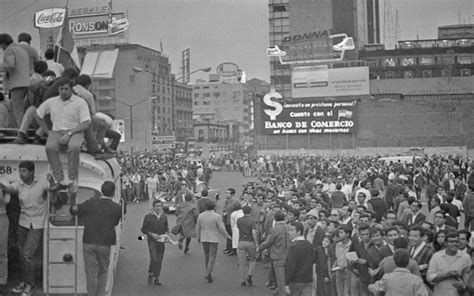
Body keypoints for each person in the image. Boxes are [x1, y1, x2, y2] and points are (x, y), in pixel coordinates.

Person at [36, 77, 91, 195]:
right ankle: (59, 180)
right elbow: (38, 114)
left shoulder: (80, 102)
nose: (64, 91)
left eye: (66, 89)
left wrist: (69, 134)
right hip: (56, 131)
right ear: (58, 89)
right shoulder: (52, 102)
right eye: (61, 89)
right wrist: (47, 131)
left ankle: (72, 180)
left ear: (71, 89)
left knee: (74, 147)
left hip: (75, 131)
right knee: (49, 148)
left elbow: (86, 123)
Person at [1, 161, 49, 296]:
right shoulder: (19, 183)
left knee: (27, 254)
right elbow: (10, 189)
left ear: (31, 172)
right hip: (23, 222)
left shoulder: (42, 182)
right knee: (22, 254)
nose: (21, 174)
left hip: (37, 223)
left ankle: (30, 284)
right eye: (20, 171)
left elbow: (53, 189)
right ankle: (25, 281)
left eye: (24, 171)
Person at [70, 181, 122, 296]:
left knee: (91, 273)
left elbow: (73, 210)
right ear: (113, 193)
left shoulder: (91, 202)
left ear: (102, 191)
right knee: (103, 271)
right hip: (105, 243)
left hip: (89, 241)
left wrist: (72, 196)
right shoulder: (117, 208)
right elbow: (115, 223)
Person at [196, 200, 231, 283]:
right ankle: (209, 272)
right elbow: (221, 228)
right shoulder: (216, 216)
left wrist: (198, 237)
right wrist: (227, 236)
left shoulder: (201, 215)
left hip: (204, 237)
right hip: (213, 238)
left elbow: (198, 227)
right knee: (212, 256)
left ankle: (207, 271)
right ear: (214, 207)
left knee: (206, 255)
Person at [427, 232, 472, 296]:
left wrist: (463, 285)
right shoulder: (436, 256)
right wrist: (446, 275)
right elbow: (429, 278)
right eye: (451, 242)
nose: (454, 244)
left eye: (456, 241)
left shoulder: (466, 258)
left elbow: (470, 280)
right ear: (445, 243)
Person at [0, 33, 30, 127]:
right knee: (17, 107)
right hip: (25, 82)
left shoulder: (9, 50)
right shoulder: (20, 49)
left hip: (17, 83)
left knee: (18, 110)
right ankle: (19, 130)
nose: (1, 48)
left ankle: (21, 133)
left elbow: (9, 64)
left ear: (4, 43)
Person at [259, 210, 291, 296]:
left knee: (280, 279)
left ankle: (281, 293)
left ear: (275, 219)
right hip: (289, 255)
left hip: (278, 256)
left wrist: (260, 248)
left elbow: (268, 242)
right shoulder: (289, 227)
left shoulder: (274, 229)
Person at [140, 199, 169, 286]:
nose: (158, 208)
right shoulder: (148, 217)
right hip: (152, 241)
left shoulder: (164, 217)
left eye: (160, 206)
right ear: (153, 207)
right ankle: (150, 274)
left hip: (161, 241)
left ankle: (157, 277)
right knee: (154, 258)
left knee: (159, 260)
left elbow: (166, 228)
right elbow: (143, 229)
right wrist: (151, 234)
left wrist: (166, 234)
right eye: (156, 206)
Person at [284, 221, 314, 296]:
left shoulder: (294, 246)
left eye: (292, 230)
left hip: (295, 280)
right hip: (308, 279)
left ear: (299, 232)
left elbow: (290, 265)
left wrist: (286, 283)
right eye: (289, 230)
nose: (289, 232)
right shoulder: (309, 244)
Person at [236, 205, 259, 287]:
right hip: (250, 242)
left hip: (241, 241)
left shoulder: (239, 220)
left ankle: (243, 280)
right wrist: (257, 243)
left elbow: (238, 228)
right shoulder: (253, 221)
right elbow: (253, 232)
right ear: (250, 211)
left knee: (242, 262)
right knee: (252, 259)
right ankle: (250, 274)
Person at [0, 171, 11, 294]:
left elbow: (7, 201)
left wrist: (1, 191)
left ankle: (2, 281)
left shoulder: (4, 180)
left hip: (1, 217)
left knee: (2, 251)